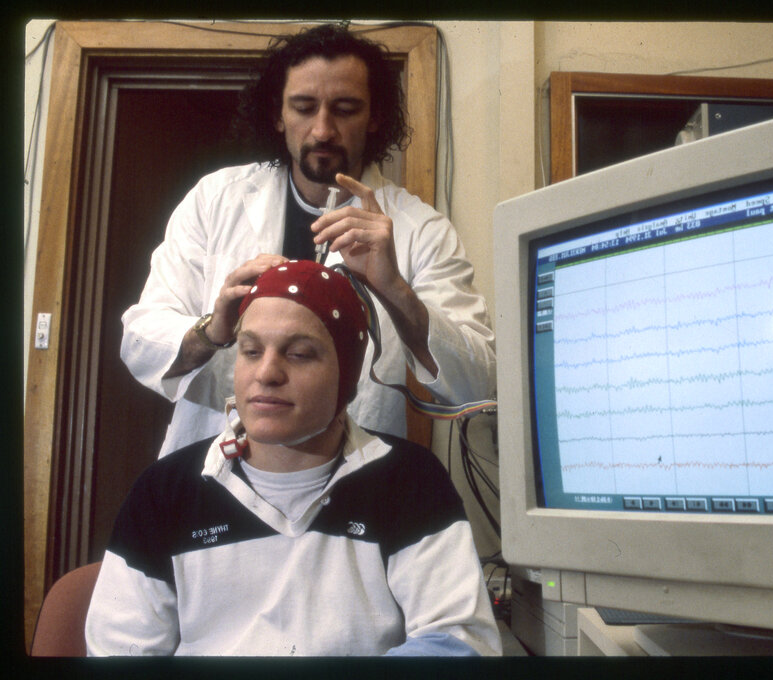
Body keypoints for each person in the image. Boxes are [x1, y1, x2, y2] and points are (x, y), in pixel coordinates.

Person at [86, 260, 502, 656]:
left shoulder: (410, 482)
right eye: (250, 351)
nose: (267, 373)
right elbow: (118, 651)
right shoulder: (164, 493)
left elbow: (460, 640)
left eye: (299, 354)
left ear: (348, 376)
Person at [121, 23, 495, 457]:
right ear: (278, 115)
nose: (322, 130)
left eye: (345, 108)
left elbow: (478, 384)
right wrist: (213, 330)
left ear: (375, 116)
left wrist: (395, 290)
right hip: (214, 475)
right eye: (303, 107)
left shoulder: (421, 229)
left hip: (350, 487)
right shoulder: (214, 200)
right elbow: (139, 342)